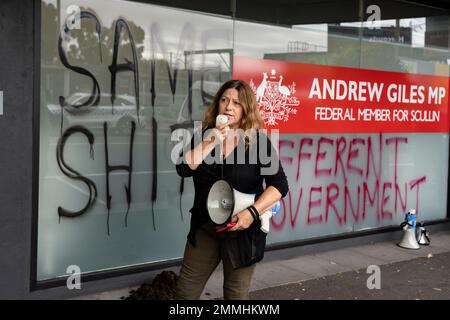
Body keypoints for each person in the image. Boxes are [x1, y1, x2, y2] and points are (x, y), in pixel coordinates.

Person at [175, 79, 289, 300]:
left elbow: (279, 185)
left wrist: (251, 213)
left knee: (235, 296)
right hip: (206, 228)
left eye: (236, 103)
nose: (228, 107)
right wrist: (210, 141)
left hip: (242, 230)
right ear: (217, 104)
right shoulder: (204, 135)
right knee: (185, 293)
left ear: (246, 108)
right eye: (224, 100)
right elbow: (183, 168)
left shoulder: (258, 142)